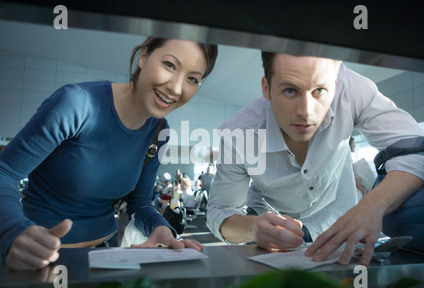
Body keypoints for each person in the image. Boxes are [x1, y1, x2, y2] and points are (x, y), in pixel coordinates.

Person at [0, 37, 218, 270]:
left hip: (108, 255)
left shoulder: (159, 132)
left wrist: (160, 228)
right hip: (41, 256)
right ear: (143, 56)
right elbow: (6, 173)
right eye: (169, 65)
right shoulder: (77, 104)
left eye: (192, 79)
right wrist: (13, 232)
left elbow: (139, 202)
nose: (176, 87)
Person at [206, 52, 424, 266]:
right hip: (271, 229)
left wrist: (372, 206)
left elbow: (416, 149)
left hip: (340, 221)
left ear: (336, 86)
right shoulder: (238, 134)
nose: (306, 112)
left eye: (319, 90)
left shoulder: (351, 88)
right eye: (290, 90)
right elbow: (221, 211)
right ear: (267, 88)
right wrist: (253, 227)